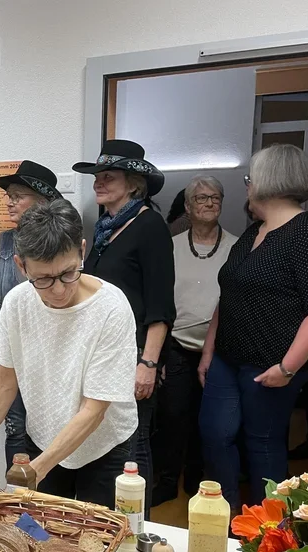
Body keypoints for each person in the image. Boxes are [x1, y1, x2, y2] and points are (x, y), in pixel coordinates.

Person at [0, 200, 137, 502]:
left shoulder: (111, 309)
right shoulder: (16, 303)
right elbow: (5, 381)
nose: (59, 290)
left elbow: (94, 410)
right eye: (44, 279)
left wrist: (37, 470)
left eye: (67, 273)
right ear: (21, 265)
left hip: (104, 446)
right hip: (43, 434)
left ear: (82, 250)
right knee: (43, 536)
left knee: (97, 538)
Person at [198, 144, 308, 507]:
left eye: (251, 177)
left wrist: (287, 368)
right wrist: (209, 351)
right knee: (215, 435)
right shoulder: (253, 233)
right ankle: (223, 519)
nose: (247, 184)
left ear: (270, 181)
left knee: (262, 443)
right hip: (226, 360)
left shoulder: (306, 233)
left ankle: (269, 535)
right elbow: (227, 294)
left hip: (270, 366)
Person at [73, 140, 174, 513]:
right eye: (97, 176)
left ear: (134, 183)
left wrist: (147, 363)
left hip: (133, 354)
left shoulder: (149, 226)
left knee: (135, 445)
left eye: (109, 176)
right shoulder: (103, 228)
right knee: (110, 441)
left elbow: (161, 306)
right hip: (102, 353)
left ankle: (136, 531)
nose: (99, 182)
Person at [152, 176, 237, 505]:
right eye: (201, 198)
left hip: (218, 350)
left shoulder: (236, 246)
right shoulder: (170, 247)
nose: (209, 203)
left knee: (210, 420)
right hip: (175, 347)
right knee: (174, 417)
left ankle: (198, 477)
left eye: (215, 197)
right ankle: (169, 479)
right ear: (187, 207)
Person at [0, 160, 62, 470]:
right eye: (8, 195)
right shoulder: (2, 243)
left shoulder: (58, 244)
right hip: (11, 354)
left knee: (48, 425)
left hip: (49, 353)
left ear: (41, 200)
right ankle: (18, 499)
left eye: (17, 195)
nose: (8, 201)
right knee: (14, 426)